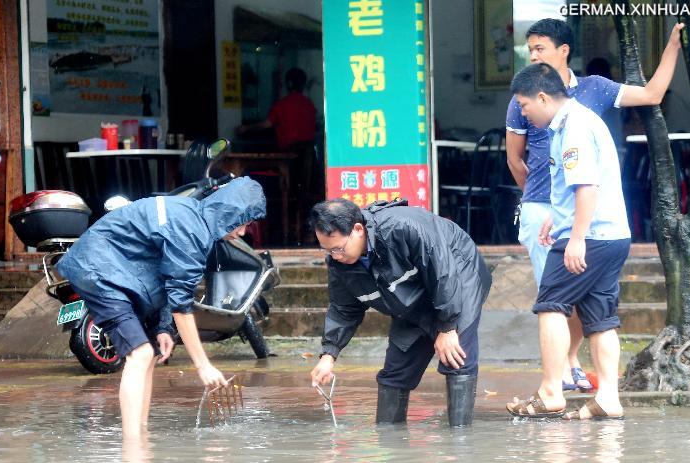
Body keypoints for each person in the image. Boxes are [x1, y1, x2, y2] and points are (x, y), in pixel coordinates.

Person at [505, 18, 683, 393]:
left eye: (540, 48)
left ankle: (558, 381)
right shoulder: (523, 97)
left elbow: (651, 94)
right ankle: (587, 384)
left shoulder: (589, 96)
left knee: (556, 301)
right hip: (549, 209)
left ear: (563, 50)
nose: (533, 55)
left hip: (583, 215)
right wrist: (547, 204)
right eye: (530, 50)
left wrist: (673, 47)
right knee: (569, 302)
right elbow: (514, 160)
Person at [58, 178, 267, 437]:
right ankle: (132, 445)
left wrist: (162, 327)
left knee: (152, 354)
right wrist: (202, 365)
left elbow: (166, 279)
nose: (243, 232)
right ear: (230, 213)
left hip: (121, 273)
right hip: (99, 271)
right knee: (141, 354)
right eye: (244, 223)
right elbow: (181, 303)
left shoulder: (192, 218)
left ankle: (140, 434)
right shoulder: (192, 231)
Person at [506, 63, 630, 420]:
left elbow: (586, 185)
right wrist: (555, 218)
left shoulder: (573, 126)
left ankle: (551, 391)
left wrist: (575, 237)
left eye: (525, 106)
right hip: (611, 235)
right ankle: (608, 397)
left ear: (543, 97)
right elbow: (574, 185)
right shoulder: (576, 121)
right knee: (600, 318)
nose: (524, 113)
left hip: (589, 235)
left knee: (550, 305)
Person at [308, 198, 492, 427]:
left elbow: (443, 273)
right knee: (396, 372)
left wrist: (447, 327)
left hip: (458, 277)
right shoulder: (340, 264)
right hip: (410, 298)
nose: (335, 256)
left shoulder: (403, 227)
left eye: (338, 248)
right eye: (327, 250)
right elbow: (344, 309)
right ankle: (389, 440)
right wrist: (329, 355)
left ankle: (460, 445)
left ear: (357, 229)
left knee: (456, 358)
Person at [237, 67, 317, 152]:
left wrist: (246, 128)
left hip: (289, 155)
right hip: (309, 155)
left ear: (289, 84)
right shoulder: (310, 105)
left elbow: (266, 124)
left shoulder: (282, 104)